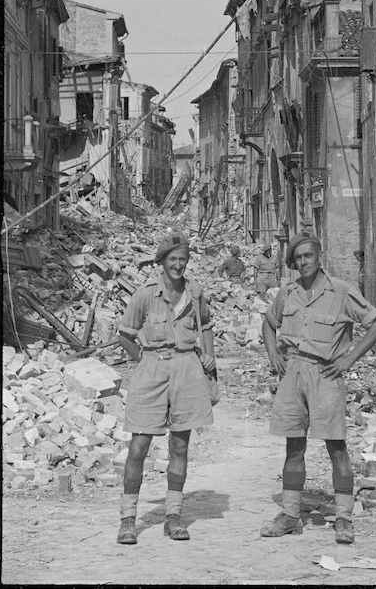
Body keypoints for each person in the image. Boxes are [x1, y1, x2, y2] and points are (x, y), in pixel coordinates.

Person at [260, 231, 376, 544]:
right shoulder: (287, 291)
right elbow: (268, 323)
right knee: (294, 445)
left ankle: (343, 518)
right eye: (298, 258)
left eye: (309, 256)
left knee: (336, 446)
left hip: (325, 375)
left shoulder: (341, 291)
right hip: (292, 374)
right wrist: (274, 353)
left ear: (319, 258)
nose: (304, 262)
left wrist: (348, 359)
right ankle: (291, 515)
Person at [116, 230, 216, 545]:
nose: (178, 265)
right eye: (172, 259)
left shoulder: (196, 293)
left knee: (180, 446)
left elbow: (208, 325)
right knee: (138, 447)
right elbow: (124, 335)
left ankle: (173, 517)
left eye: (183, 259)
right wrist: (145, 362)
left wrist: (210, 357)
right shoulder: (145, 294)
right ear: (162, 262)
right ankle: (128, 519)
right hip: (152, 369)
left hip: (187, 369)